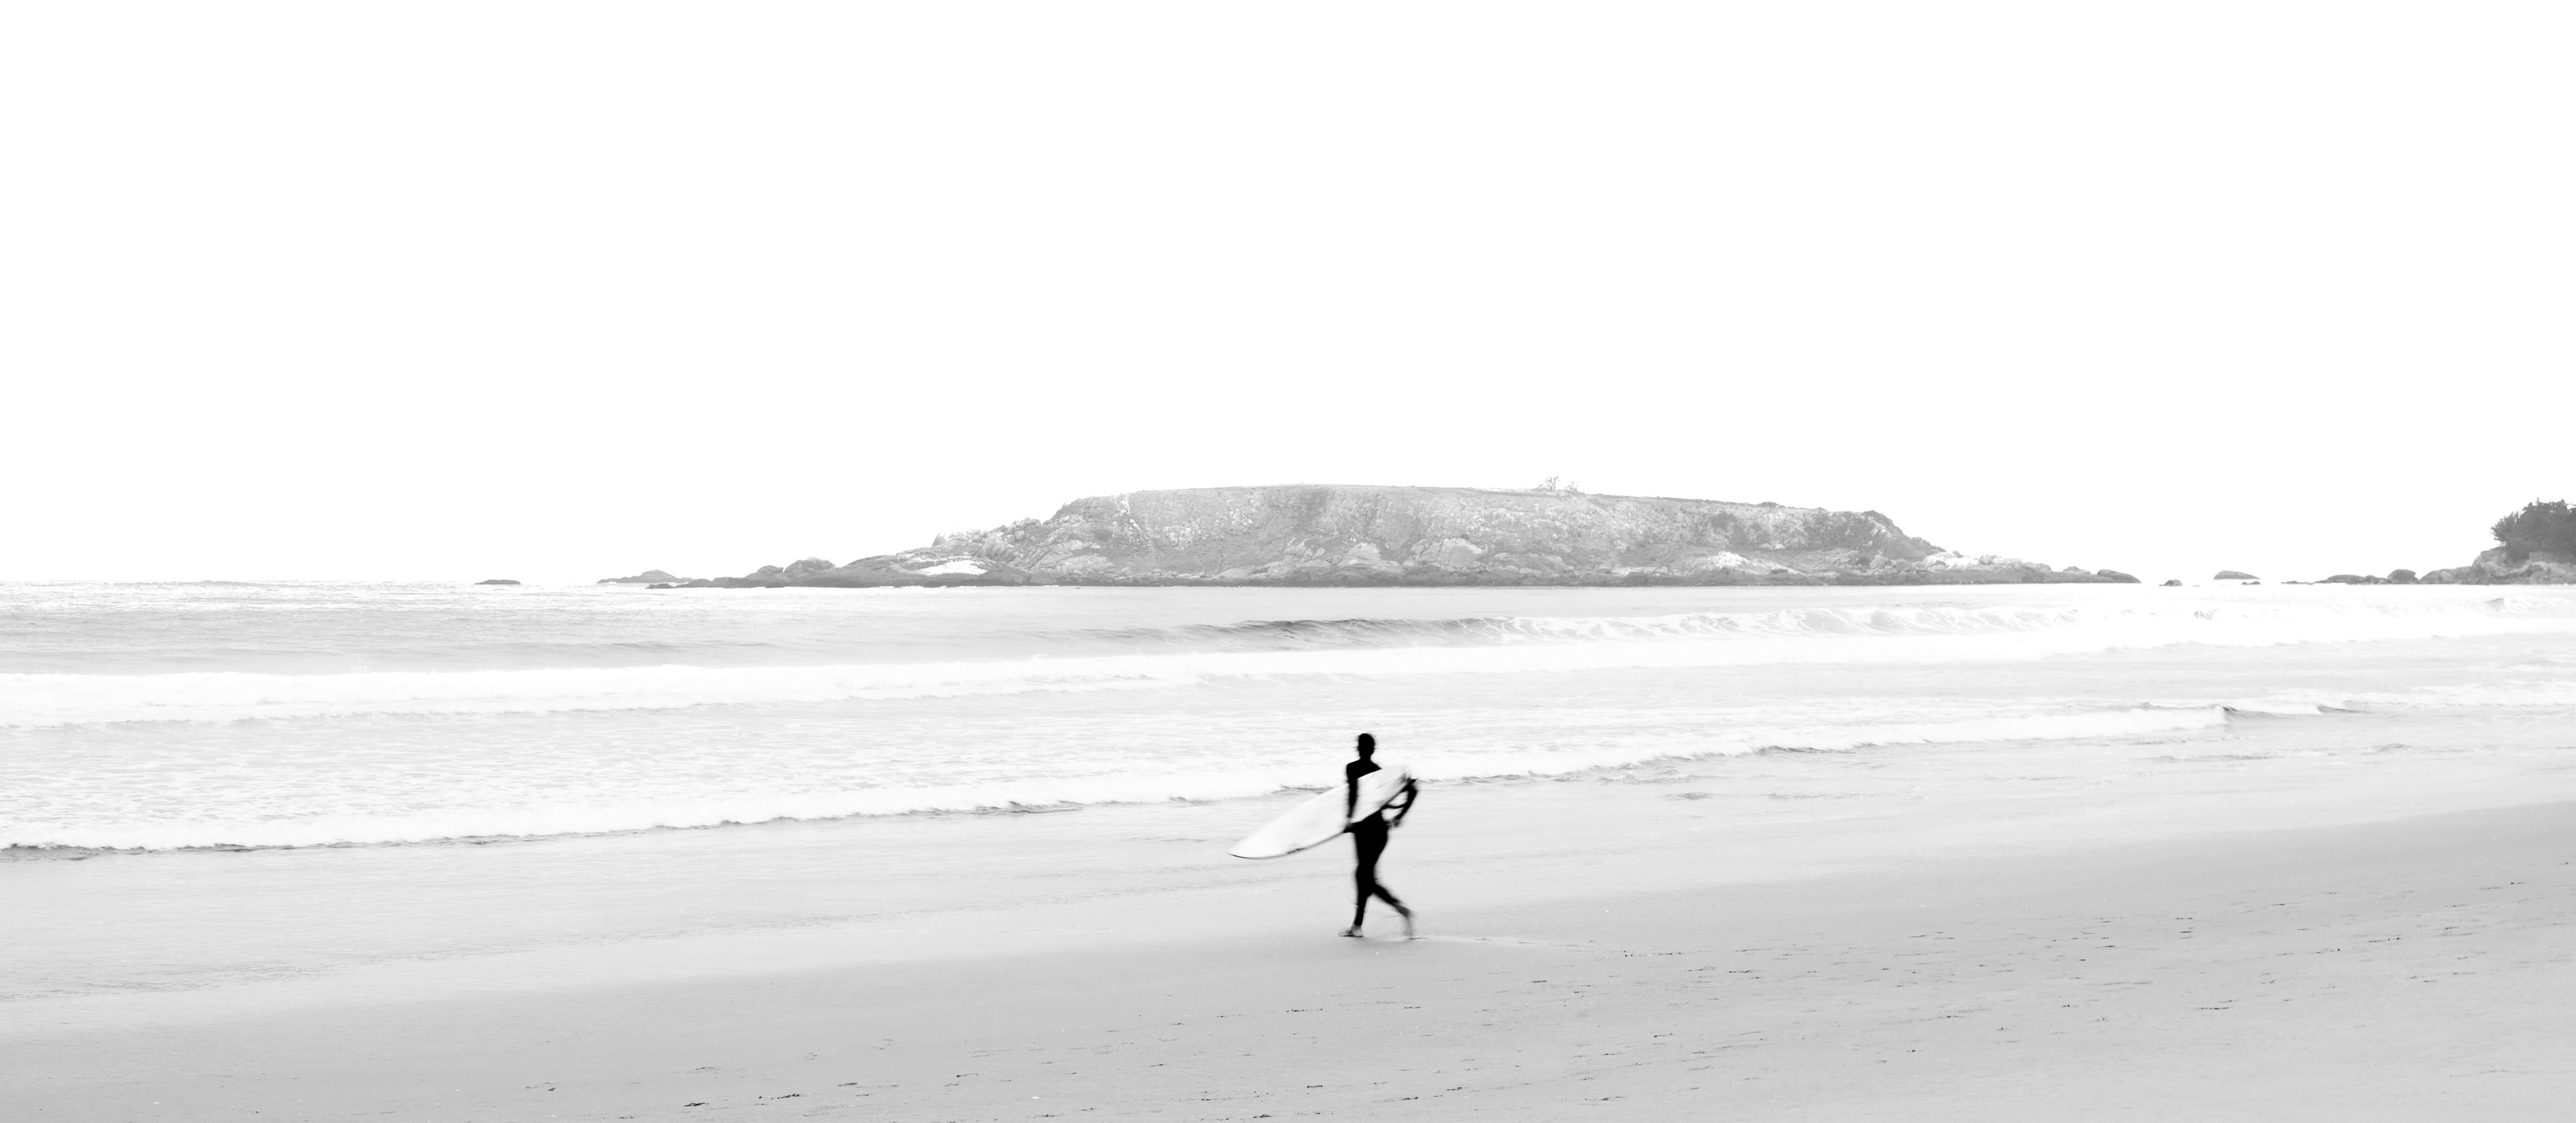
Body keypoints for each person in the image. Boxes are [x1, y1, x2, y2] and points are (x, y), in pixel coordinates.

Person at [1340, 732, 1417, 939]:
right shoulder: (1379, 772)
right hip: (1379, 830)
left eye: (1359, 745)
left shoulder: (1352, 768)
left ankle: (1398, 912)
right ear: (1373, 750)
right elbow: (1413, 789)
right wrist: (1400, 814)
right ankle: (1358, 925)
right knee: (1365, 877)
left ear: (1359, 748)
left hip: (1363, 829)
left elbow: (1353, 795)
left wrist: (1349, 819)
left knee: (1365, 878)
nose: (1358, 748)